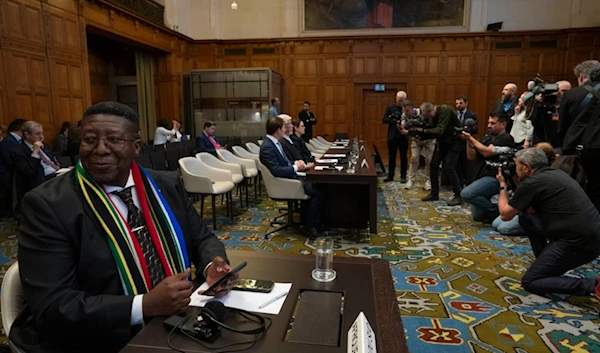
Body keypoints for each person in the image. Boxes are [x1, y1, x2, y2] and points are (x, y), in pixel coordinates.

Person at [10, 101, 235, 353]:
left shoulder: (166, 184)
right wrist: (144, 305)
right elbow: (53, 306)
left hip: (177, 321)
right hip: (99, 337)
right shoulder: (47, 205)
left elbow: (202, 238)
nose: (100, 150)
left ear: (136, 147)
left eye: (114, 140)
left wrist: (212, 265)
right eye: (90, 140)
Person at [496, 147, 600, 298]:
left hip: (577, 242)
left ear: (526, 167)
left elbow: (505, 214)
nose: (515, 168)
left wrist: (503, 186)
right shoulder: (555, 173)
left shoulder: (533, 182)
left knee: (530, 281)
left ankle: (593, 285)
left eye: (517, 165)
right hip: (589, 235)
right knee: (526, 218)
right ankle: (546, 263)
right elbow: (528, 210)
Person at [259, 117, 324, 236]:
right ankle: (311, 226)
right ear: (278, 130)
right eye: (284, 127)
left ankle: (307, 220)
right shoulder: (267, 147)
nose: (286, 129)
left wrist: (295, 164)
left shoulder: (275, 143)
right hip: (285, 182)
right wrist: (296, 168)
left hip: (290, 177)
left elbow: (283, 163)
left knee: (318, 185)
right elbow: (276, 170)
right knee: (318, 192)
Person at [558, 60, 600, 211]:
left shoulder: (572, 94)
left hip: (581, 149)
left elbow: (563, 126)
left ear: (581, 77)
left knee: (579, 187)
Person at [460, 111, 515, 222]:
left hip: (496, 177)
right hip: (481, 175)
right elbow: (471, 156)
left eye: (493, 123)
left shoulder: (507, 138)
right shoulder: (487, 138)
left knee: (466, 193)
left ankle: (496, 211)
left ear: (503, 124)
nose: (489, 126)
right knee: (478, 216)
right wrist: (468, 141)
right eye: (489, 123)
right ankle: (494, 212)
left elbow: (486, 152)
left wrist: (471, 138)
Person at [412, 103, 462, 205]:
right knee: (433, 164)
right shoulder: (432, 116)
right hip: (443, 142)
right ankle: (434, 193)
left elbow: (440, 130)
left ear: (431, 111)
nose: (428, 119)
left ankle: (458, 195)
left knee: (448, 167)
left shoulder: (445, 110)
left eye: (428, 116)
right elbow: (432, 130)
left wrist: (424, 130)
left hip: (454, 141)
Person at [9, 121, 60, 212]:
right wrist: (35, 153)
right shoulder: (17, 151)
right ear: (27, 135)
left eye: (42, 133)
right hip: (41, 182)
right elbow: (29, 173)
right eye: (37, 134)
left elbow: (54, 162)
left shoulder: (45, 145)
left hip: (56, 175)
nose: (42, 137)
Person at [403, 100, 435, 190]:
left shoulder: (433, 117)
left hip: (429, 140)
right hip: (417, 140)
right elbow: (407, 126)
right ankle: (411, 180)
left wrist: (423, 129)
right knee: (414, 158)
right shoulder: (414, 115)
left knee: (429, 160)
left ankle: (428, 180)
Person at [382, 91, 409, 183]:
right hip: (392, 135)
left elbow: (411, 120)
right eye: (398, 100)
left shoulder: (407, 108)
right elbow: (384, 120)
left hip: (403, 136)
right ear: (396, 98)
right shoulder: (391, 107)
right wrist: (392, 120)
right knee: (391, 156)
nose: (400, 102)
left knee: (403, 157)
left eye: (402, 100)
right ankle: (390, 175)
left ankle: (403, 176)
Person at [455, 95, 478, 187]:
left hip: (467, 143)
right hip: (456, 143)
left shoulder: (471, 115)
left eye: (460, 103)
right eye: (456, 103)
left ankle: (468, 184)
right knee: (457, 165)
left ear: (466, 103)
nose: (458, 105)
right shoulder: (454, 114)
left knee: (467, 165)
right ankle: (458, 184)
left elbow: (476, 129)